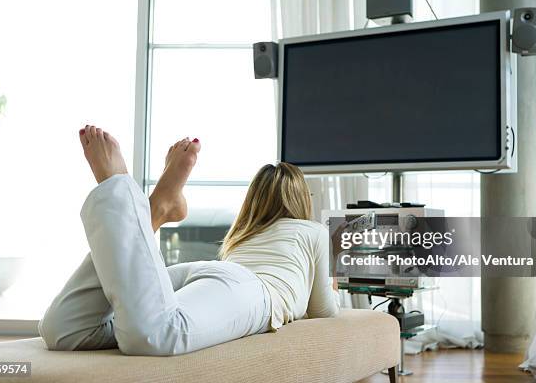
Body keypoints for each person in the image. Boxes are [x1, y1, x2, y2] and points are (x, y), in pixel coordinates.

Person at [38, 125, 339, 356]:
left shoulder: (244, 234)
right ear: (302, 200)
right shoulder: (312, 231)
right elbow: (324, 310)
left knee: (65, 330)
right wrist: (333, 287)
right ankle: (128, 195)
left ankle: (153, 213)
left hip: (207, 276)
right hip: (253, 293)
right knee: (156, 335)